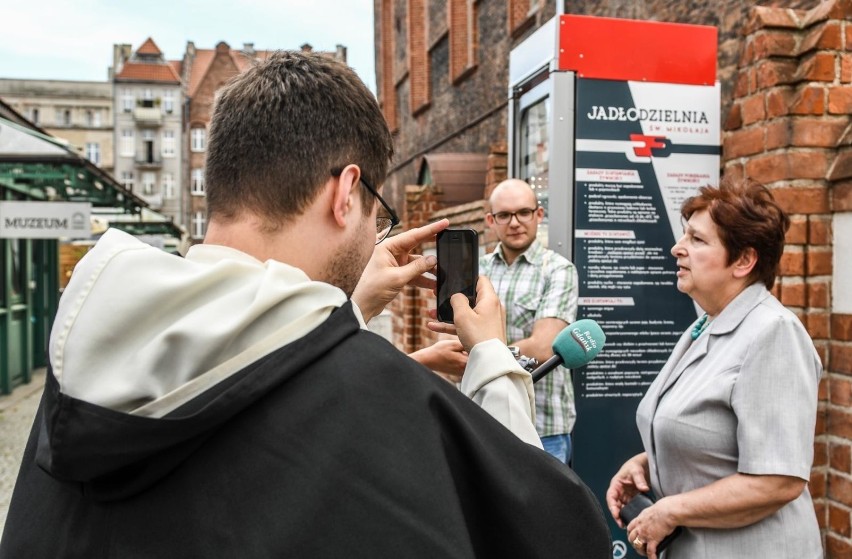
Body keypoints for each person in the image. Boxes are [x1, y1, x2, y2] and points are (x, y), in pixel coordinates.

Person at [0, 51, 611, 558]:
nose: (376, 229)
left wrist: (347, 315)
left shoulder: (83, 355)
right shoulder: (379, 398)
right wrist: (495, 364)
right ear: (347, 193)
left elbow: (251, 383)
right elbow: (555, 535)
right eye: (378, 209)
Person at [605, 178, 823, 559]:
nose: (677, 248)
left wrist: (671, 509)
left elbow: (778, 480)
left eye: (697, 240)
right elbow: (711, 436)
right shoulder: (704, 324)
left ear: (743, 261)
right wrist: (648, 461)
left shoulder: (774, 333)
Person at [480, 178, 579, 463]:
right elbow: (450, 337)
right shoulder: (476, 270)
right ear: (491, 220)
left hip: (543, 427)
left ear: (539, 214)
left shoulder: (558, 271)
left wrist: (479, 355)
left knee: (546, 509)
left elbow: (543, 348)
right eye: (504, 215)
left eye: (524, 212)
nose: (515, 222)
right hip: (484, 419)